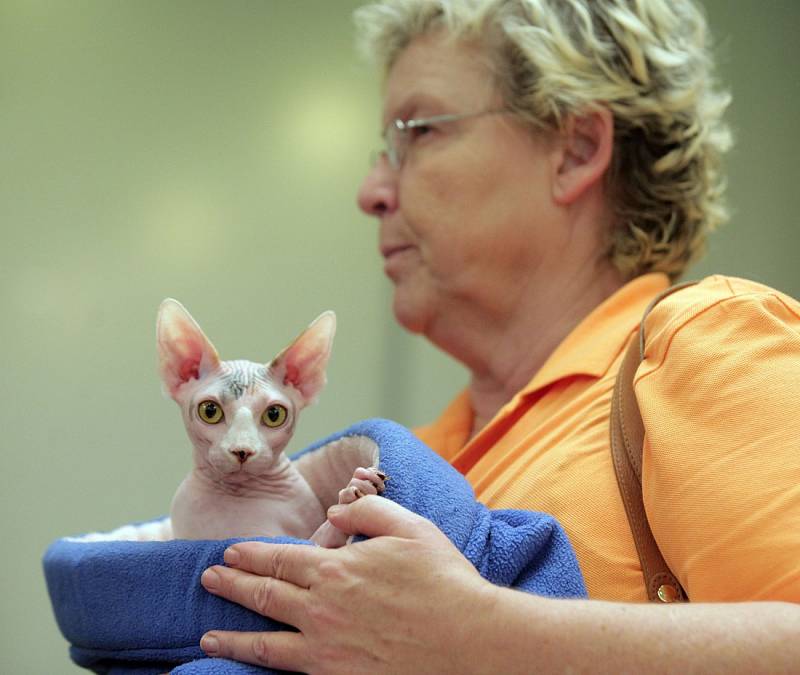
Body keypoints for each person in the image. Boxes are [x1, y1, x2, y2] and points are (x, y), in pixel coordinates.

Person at [197, 0, 800, 671]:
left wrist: (479, 636)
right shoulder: (407, 456)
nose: (372, 189)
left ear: (575, 151)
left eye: (418, 131)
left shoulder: (703, 343)